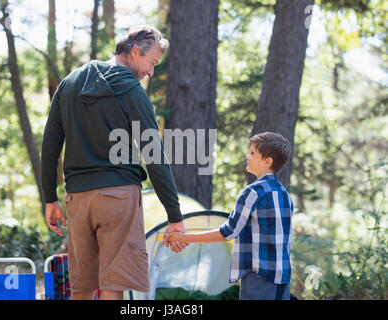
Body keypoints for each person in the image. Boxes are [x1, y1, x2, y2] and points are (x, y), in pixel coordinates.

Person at [41, 25, 187, 300]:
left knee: (81, 287)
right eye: (151, 62)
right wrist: (175, 218)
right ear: (134, 51)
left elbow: (49, 146)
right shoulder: (132, 90)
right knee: (113, 285)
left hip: (78, 199)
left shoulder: (70, 83)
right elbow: (154, 155)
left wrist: (50, 199)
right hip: (118, 199)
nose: (150, 72)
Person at [165, 132, 294, 300]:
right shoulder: (284, 194)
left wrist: (184, 238)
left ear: (268, 161)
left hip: (258, 277)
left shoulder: (253, 192)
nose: (247, 156)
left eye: (253, 153)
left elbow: (228, 232)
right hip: (282, 277)